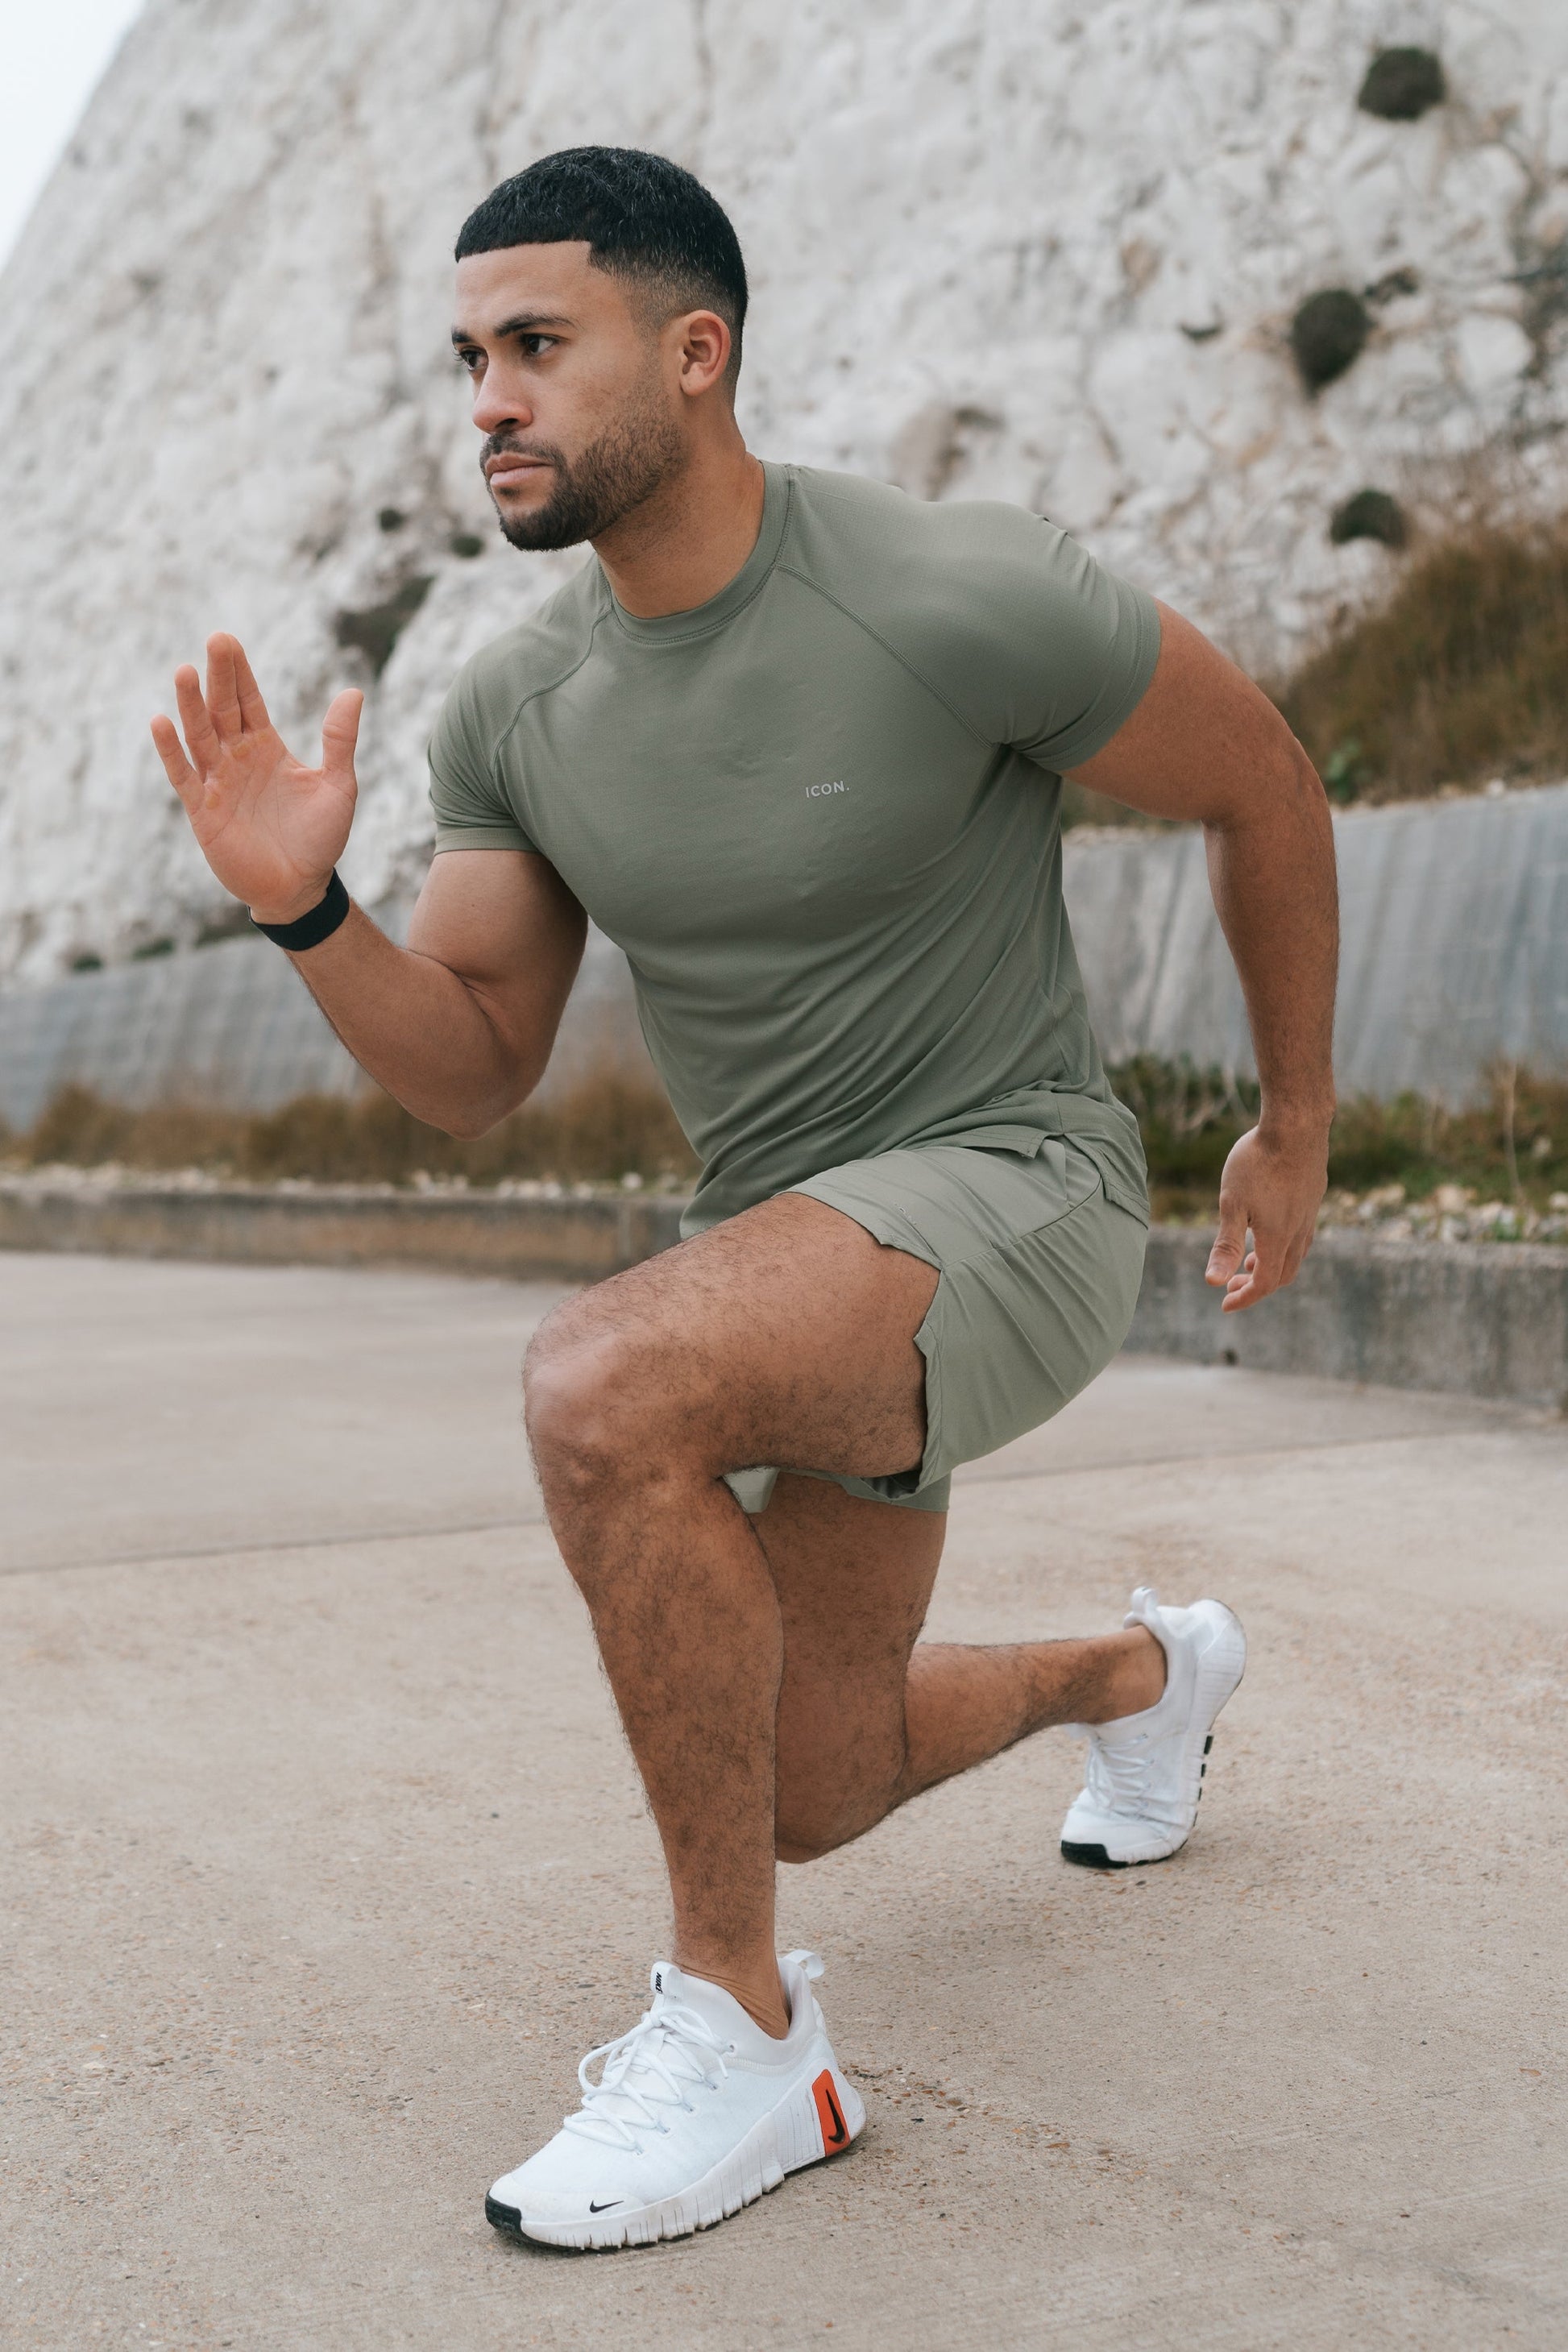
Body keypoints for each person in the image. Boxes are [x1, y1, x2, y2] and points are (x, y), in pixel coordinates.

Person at [151, 147, 1337, 2252]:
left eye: (537, 345)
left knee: (603, 1383)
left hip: (1022, 1184)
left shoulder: (952, 589)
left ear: (693, 354)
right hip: (800, 1253)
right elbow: (471, 1069)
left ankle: (745, 2030)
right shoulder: (521, 708)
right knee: (809, 1781)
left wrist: (1295, 1122)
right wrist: (305, 910)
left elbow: (1260, 780)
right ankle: (1143, 1680)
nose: (490, 401)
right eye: (469, 359)